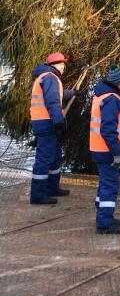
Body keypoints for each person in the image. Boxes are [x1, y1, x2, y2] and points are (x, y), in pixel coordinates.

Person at [30, 52, 77, 205]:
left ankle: (52, 187)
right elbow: (52, 102)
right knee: (44, 159)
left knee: (55, 157)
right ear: (53, 64)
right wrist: (58, 121)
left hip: (46, 123)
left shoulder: (48, 77)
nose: (64, 66)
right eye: (61, 63)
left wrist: (72, 93)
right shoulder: (50, 77)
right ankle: (38, 195)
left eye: (64, 63)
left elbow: (57, 95)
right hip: (47, 123)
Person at [89, 63, 120, 234]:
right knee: (110, 185)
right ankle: (105, 223)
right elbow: (108, 129)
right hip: (107, 152)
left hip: (100, 150)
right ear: (118, 82)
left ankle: (104, 216)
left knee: (105, 184)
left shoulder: (103, 96)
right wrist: (117, 153)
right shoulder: (112, 99)